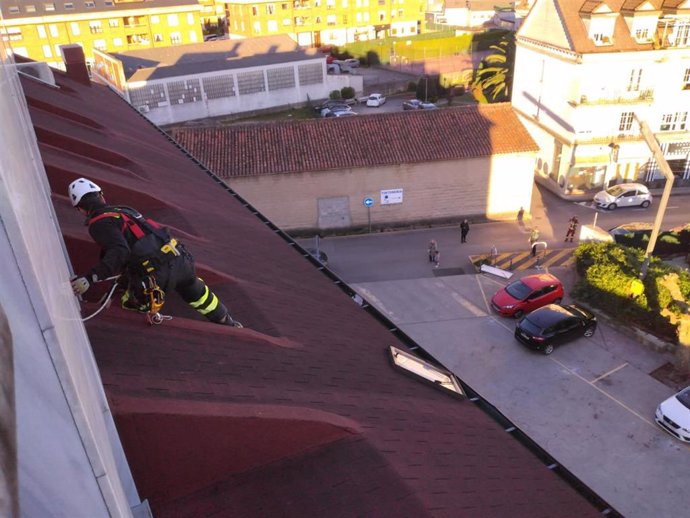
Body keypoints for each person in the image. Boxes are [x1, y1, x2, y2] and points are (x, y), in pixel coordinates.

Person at [68, 178, 242, 327]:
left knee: (127, 306)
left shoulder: (99, 224)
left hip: (157, 275)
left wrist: (90, 278)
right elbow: (139, 246)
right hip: (181, 259)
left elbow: (120, 252)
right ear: (102, 196)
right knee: (197, 291)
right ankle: (228, 322)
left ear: (80, 209)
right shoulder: (125, 211)